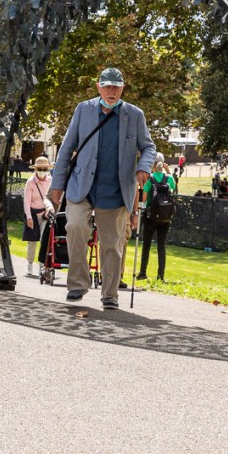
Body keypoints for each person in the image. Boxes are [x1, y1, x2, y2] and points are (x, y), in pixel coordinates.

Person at [49, 67, 156, 310]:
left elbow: (148, 147)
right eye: (106, 86)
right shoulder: (83, 109)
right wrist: (57, 184)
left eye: (116, 86)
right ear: (98, 87)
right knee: (75, 226)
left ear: (122, 88)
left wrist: (144, 167)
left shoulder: (135, 115)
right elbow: (66, 148)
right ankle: (77, 284)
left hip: (116, 189)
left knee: (112, 245)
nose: (111, 91)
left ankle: (110, 294)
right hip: (82, 186)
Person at [137, 156, 177, 283]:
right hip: (165, 217)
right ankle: (161, 275)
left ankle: (143, 272)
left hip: (151, 216)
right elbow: (174, 190)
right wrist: (168, 171)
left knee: (146, 245)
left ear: (153, 165)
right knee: (161, 246)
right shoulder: (169, 178)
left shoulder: (151, 179)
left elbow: (143, 199)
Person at [21, 155, 54, 281]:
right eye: (40, 169)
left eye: (44, 169)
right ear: (36, 169)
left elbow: (53, 198)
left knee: (44, 240)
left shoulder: (51, 180)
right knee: (32, 241)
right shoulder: (30, 182)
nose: (42, 171)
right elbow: (26, 202)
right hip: (33, 213)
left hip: (46, 213)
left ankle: (42, 264)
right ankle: (29, 264)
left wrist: (49, 209)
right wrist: (29, 217)